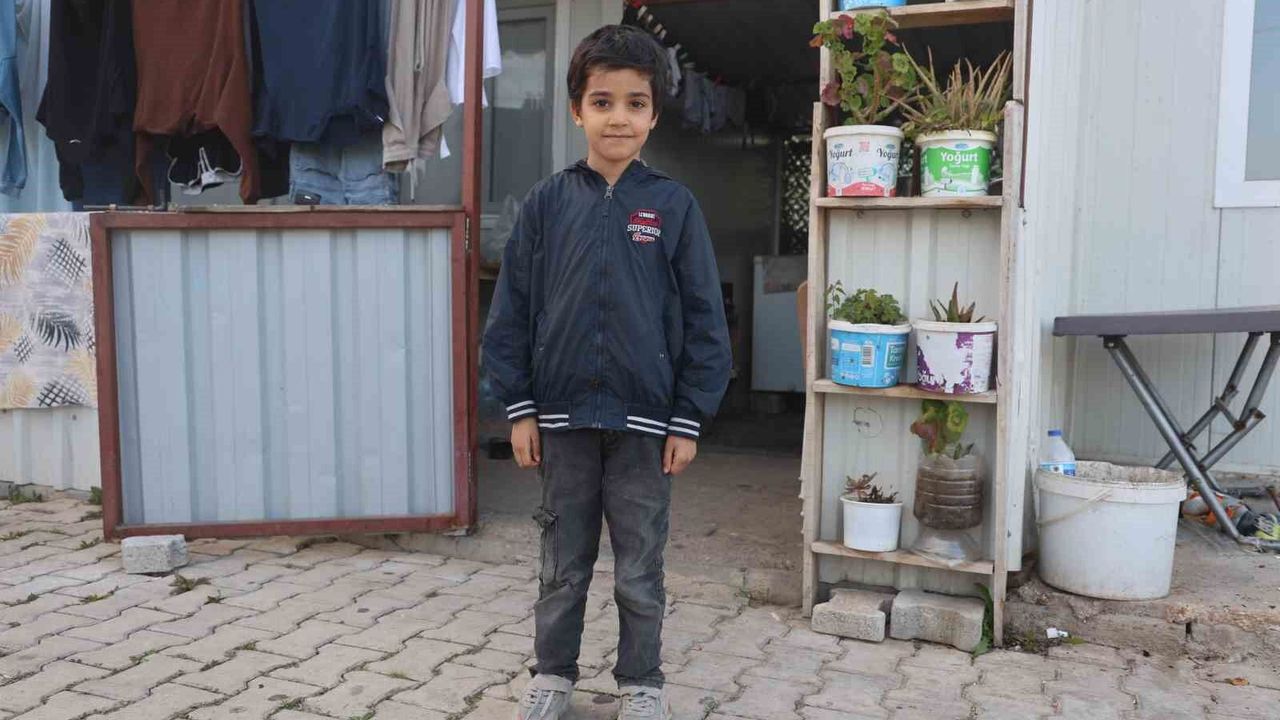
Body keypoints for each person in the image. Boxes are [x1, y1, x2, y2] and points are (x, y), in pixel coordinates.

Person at [482, 23, 731, 720]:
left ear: (654, 115)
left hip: (646, 426)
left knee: (639, 566)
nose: (618, 118)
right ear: (576, 111)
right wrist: (520, 409)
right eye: (602, 102)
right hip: (561, 422)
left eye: (634, 103)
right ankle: (552, 676)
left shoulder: (674, 207)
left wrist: (688, 418)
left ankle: (641, 684)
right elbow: (511, 314)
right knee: (562, 563)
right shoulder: (547, 204)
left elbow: (706, 320)